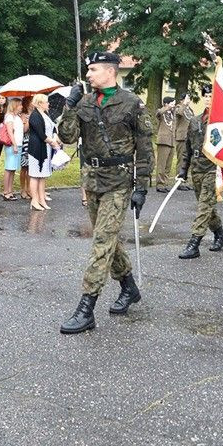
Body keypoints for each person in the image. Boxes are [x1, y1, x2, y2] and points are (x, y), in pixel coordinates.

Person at [57, 51, 153, 335]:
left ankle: (86, 308)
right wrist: (69, 106)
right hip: (93, 181)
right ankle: (129, 287)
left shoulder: (132, 103)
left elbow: (144, 148)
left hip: (119, 183)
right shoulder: (85, 102)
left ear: (111, 71)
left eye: (94, 69)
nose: (88, 75)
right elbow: (67, 137)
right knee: (109, 240)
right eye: (88, 70)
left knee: (101, 241)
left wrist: (142, 187)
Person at [174, 84, 223, 259]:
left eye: (211, 96)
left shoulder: (221, 122)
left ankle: (194, 243)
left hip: (214, 167)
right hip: (197, 168)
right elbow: (188, 149)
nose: (208, 98)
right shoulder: (195, 120)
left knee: (204, 205)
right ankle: (220, 235)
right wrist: (183, 170)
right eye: (205, 96)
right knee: (206, 206)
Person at [27, 93, 60, 211]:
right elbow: (41, 134)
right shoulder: (34, 116)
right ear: (40, 103)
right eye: (46, 102)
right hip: (37, 149)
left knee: (43, 176)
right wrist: (52, 142)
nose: (48, 104)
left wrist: (55, 136)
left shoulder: (46, 114)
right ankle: (34, 200)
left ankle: (42, 199)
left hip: (46, 148)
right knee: (35, 175)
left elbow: (54, 127)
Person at [154, 95, 192, 192]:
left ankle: (165, 183)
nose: (173, 106)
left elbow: (180, 112)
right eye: (172, 104)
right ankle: (159, 184)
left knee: (168, 165)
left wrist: (182, 105)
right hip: (163, 140)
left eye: (174, 104)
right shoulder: (161, 113)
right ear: (166, 104)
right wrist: (167, 107)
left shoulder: (173, 113)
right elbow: (158, 113)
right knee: (161, 164)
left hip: (171, 141)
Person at [1, 98, 23, 200]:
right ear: (15, 105)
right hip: (12, 145)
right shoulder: (9, 117)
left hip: (19, 144)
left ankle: (10, 190)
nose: (21, 107)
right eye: (20, 105)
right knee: (9, 168)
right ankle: (6, 191)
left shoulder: (17, 117)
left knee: (13, 168)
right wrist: (14, 144)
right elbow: (10, 132)